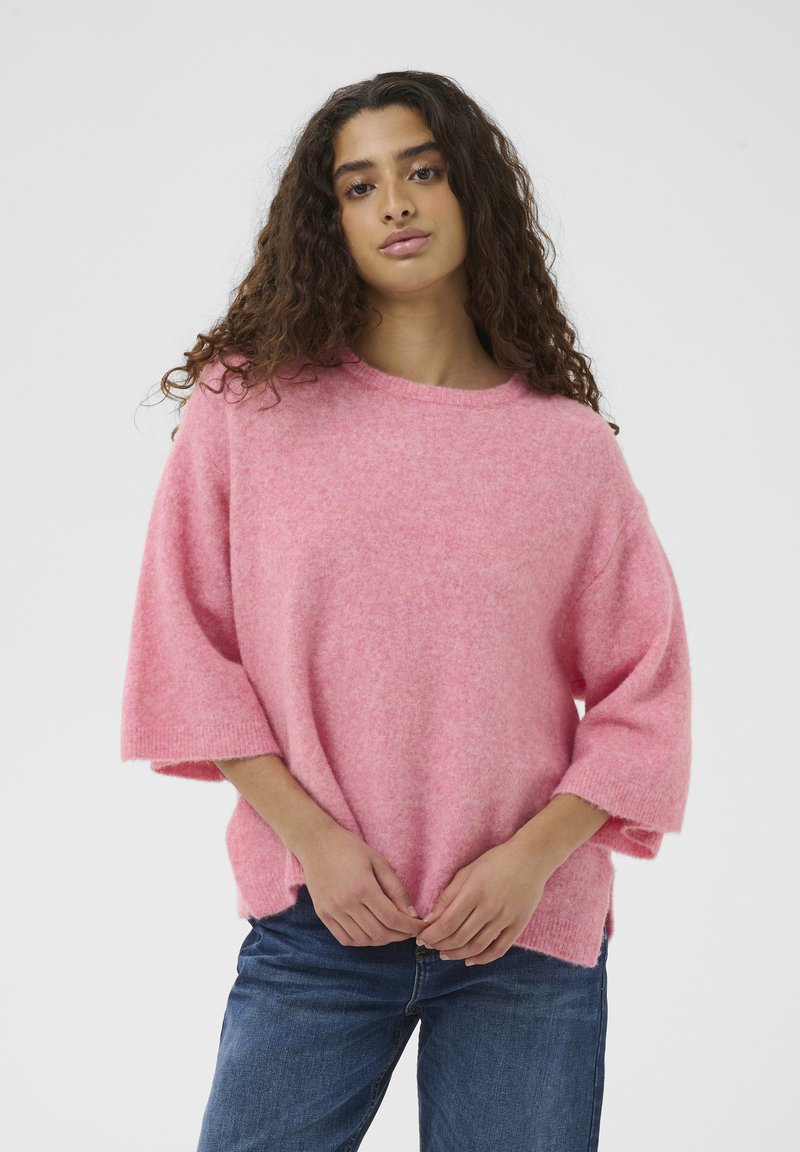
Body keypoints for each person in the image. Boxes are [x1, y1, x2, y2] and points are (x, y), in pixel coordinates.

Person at [120, 70, 692, 1151]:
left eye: (422, 171)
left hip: (524, 934)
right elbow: (186, 648)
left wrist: (527, 863)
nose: (394, 204)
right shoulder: (253, 406)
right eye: (357, 185)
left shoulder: (565, 450)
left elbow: (643, 689)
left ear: (470, 193)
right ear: (325, 220)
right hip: (318, 919)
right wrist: (316, 845)